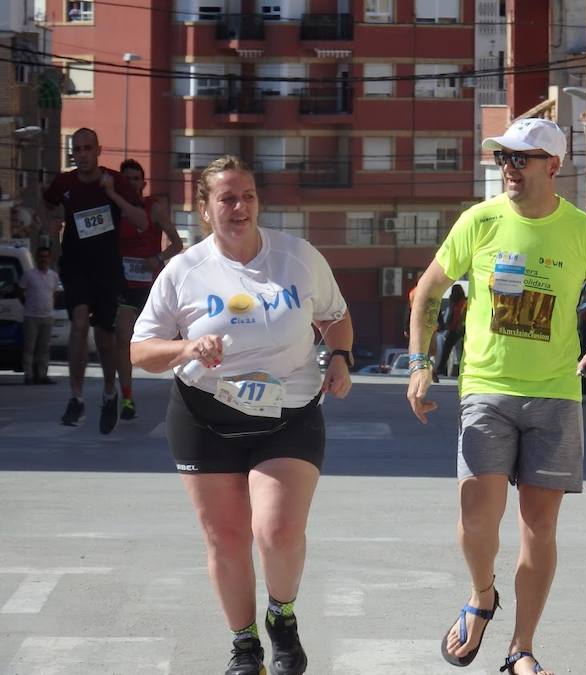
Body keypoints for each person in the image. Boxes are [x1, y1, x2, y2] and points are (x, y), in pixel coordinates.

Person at [406, 118, 586, 675]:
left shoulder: (583, 232)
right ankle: (481, 595)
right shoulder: (479, 221)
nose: (509, 168)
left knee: (539, 528)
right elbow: (427, 293)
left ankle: (522, 648)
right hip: (486, 389)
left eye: (521, 158)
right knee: (476, 520)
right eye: (503, 158)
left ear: (553, 166)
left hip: (556, 397)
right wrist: (420, 364)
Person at [131, 155, 353, 675]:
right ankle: (245, 644)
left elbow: (336, 317)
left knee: (276, 532)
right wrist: (186, 348)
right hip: (204, 416)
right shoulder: (183, 271)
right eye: (227, 198)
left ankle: (282, 614)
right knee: (226, 539)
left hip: (289, 412)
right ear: (205, 209)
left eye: (248, 195)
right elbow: (140, 352)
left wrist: (339, 357)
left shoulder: (297, 257)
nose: (240, 207)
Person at [38, 127, 147, 434]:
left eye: (88, 148)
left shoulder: (116, 181)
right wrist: (49, 222)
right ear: (72, 152)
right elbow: (44, 203)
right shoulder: (64, 182)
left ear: (99, 150)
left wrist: (112, 194)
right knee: (79, 322)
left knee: (105, 338)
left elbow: (140, 222)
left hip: (108, 269)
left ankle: (110, 393)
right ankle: (76, 397)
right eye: (78, 149)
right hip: (75, 265)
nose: (83, 154)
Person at [116, 158, 184, 420]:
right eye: (127, 179)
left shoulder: (153, 208)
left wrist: (158, 258)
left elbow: (177, 243)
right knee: (124, 339)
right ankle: (127, 398)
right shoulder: (114, 209)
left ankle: (189, 385)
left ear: (143, 184)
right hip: (124, 286)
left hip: (151, 285)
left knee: (176, 338)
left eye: (136, 179)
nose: (132, 183)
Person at [18, 246, 59, 385]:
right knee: (29, 347)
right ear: (37, 258)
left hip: (47, 316)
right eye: (41, 256)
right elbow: (20, 291)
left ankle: (42, 375)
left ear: (50, 258)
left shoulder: (53, 276)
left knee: (44, 348)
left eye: (46, 256)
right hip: (31, 316)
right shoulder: (29, 275)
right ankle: (28, 375)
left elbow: (54, 293)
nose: (44, 259)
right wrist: (27, 304)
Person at [436, 283, 467, 376]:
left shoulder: (454, 302)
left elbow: (452, 315)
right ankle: (458, 369)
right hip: (461, 328)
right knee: (460, 349)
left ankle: (441, 368)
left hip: (456, 328)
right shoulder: (464, 301)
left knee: (447, 348)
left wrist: (446, 325)